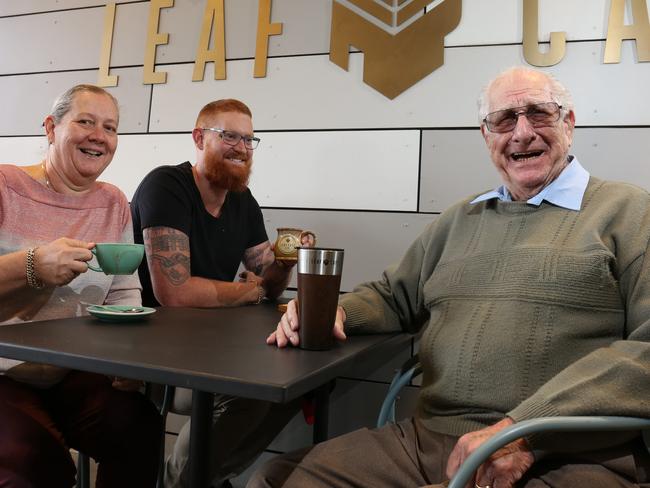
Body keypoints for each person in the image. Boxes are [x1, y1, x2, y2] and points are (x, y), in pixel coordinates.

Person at [250, 67, 650, 488]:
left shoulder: (627, 211)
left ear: (568, 123)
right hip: (430, 440)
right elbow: (391, 295)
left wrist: (524, 429)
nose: (522, 132)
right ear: (486, 135)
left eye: (539, 114)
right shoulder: (461, 219)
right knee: (276, 480)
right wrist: (336, 311)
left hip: (566, 452)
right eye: (504, 120)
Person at [130, 98, 311, 488]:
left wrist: (286, 259)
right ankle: (184, 480)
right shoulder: (167, 186)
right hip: (151, 357)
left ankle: (200, 477)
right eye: (229, 135)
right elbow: (174, 293)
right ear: (199, 137)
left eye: (249, 139)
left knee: (295, 385)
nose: (241, 148)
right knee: (249, 391)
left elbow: (268, 280)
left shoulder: (242, 201)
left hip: (211, 346)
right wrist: (247, 293)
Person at [0, 84, 162, 487]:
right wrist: (31, 265)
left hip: (75, 372)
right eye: (85, 122)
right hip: (3, 375)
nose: (99, 136)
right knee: (34, 462)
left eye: (109, 127)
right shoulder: (5, 186)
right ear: (51, 128)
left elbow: (124, 293)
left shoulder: (113, 203)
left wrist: (128, 364)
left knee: (139, 427)